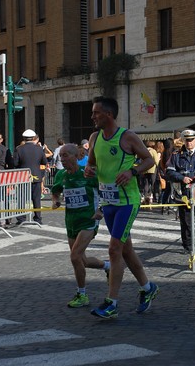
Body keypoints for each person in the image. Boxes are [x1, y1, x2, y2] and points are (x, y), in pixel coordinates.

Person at [84, 96, 159, 319]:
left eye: (96, 112)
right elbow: (91, 164)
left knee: (114, 249)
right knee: (126, 249)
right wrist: (89, 170)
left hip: (127, 201)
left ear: (108, 114)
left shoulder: (127, 137)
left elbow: (149, 160)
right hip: (108, 202)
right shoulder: (95, 137)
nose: (92, 117)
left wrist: (132, 171)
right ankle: (148, 288)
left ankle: (111, 302)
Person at [50, 144, 110, 308]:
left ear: (77, 156)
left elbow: (107, 192)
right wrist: (56, 200)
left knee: (75, 256)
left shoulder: (88, 173)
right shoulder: (61, 175)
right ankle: (108, 266)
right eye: (61, 156)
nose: (62, 159)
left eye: (66, 155)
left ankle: (82, 294)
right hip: (71, 221)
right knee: (81, 260)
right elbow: (55, 191)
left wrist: (101, 210)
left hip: (88, 219)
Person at [13, 129, 48, 224]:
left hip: (23, 176)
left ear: (24, 138)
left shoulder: (19, 149)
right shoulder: (39, 149)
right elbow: (44, 162)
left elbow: (15, 163)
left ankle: (21, 218)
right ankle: (38, 218)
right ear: (33, 138)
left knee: (21, 198)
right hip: (36, 176)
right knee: (36, 199)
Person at [141, 141, 159, 206]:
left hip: (145, 169)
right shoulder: (153, 151)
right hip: (152, 169)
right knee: (153, 183)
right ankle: (152, 195)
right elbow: (156, 161)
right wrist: (157, 166)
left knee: (146, 183)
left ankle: (145, 195)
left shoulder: (144, 151)